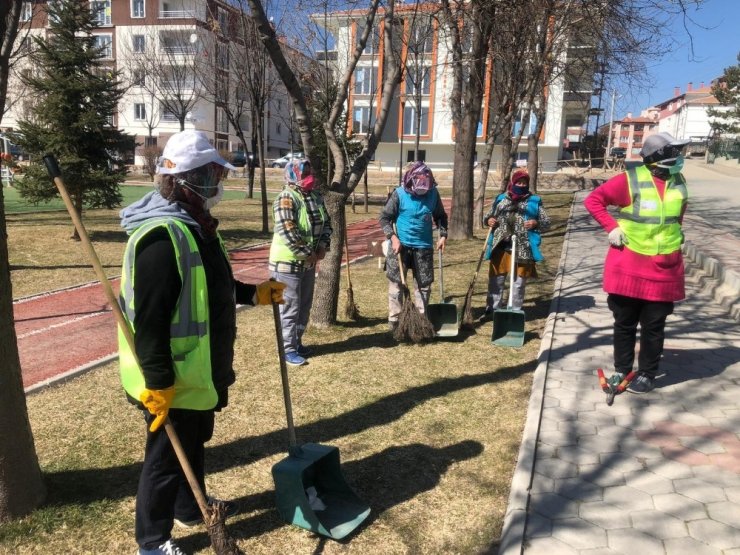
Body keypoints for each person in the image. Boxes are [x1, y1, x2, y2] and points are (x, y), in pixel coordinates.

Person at [118, 130, 286, 555]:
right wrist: (157, 382)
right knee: (163, 459)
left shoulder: (199, 228)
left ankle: (189, 507)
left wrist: (253, 293)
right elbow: (150, 322)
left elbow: (212, 285)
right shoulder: (160, 238)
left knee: (194, 443)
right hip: (171, 377)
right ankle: (152, 540)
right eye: (211, 177)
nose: (218, 187)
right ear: (185, 181)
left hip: (202, 370)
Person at [584, 132, 689, 394]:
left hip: (664, 266)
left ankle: (647, 374)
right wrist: (611, 227)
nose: (679, 159)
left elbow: (677, 216)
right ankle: (622, 368)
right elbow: (594, 200)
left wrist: (677, 235)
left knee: (654, 326)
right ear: (656, 159)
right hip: (629, 265)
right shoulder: (630, 180)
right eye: (674, 154)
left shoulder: (679, 181)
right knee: (625, 323)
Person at [269, 158, 332, 367]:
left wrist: (323, 246)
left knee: (304, 305)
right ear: (293, 175)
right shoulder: (285, 198)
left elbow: (327, 223)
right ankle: (286, 348)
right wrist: (307, 253)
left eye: (309, 172)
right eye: (304, 174)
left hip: (308, 263)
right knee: (289, 306)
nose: (309, 177)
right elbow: (288, 231)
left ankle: (296, 341)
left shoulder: (315, 197)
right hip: (287, 263)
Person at [379, 161, 448, 331]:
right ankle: (394, 320)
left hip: (423, 247)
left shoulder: (433, 194)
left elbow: (441, 217)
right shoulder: (399, 194)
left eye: (426, 181)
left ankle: (421, 319)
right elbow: (384, 218)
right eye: (419, 181)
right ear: (411, 179)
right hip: (400, 247)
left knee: (423, 286)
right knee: (396, 285)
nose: (423, 186)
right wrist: (393, 238)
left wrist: (443, 235)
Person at [480, 169, 550, 320]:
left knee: (518, 283)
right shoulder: (501, 199)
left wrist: (535, 222)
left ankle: (515, 312)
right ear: (513, 182)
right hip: (501, 247)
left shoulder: (534, 201)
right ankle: (492, 310)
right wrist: (489, 220)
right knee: (496, 280)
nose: (521, 185)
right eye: (519, 182)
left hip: (523, 248)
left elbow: (546, 223)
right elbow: (487, 217)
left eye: (524, 183)